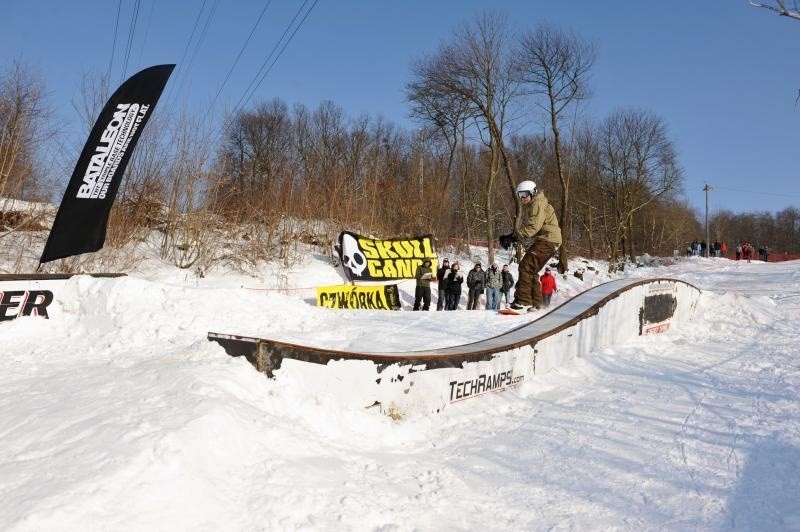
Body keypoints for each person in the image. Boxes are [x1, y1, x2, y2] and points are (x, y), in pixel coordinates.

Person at [499, 180, 562, 312]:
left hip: (548, 240)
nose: (522, 198)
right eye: (519, 195)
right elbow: (534, 227)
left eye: (524, 195)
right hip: (548, 239)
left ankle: (523, 302)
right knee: (531, 270)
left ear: (532, 193)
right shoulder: (537, 203)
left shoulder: (537, 203)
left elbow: (533, 228)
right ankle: (535, 303)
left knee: (525, 266)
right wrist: (513, 236)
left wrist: (513, 237)